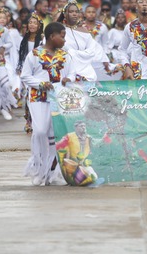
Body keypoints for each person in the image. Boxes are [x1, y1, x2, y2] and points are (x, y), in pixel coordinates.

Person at [21, 22, 92, 186]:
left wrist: (69, 79)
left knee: (55, 135)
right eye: (62, 36)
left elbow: (72, 72)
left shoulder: (65, 55)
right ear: (52, 36)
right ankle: (38, 169)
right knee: (39, 131)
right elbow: (25, 76)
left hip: (58, 98)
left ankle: (52, 173)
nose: (64, 40)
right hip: (38, 97)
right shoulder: (34, 54)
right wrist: (40, 84)